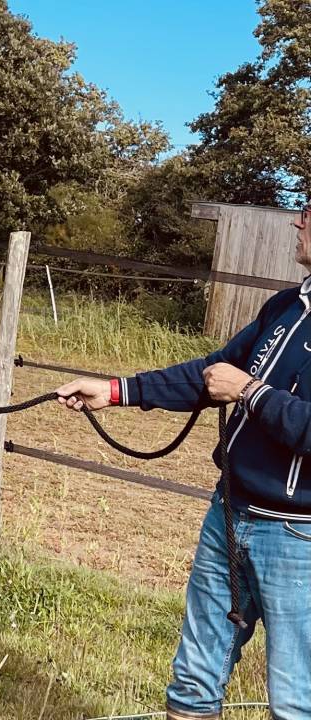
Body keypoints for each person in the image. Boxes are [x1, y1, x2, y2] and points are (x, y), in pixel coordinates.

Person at [55, 203, 311, 720]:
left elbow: (248, 390)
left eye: (308, 210)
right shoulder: (286, 306)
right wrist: (118, 390)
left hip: (298, 540)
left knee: (296, 700)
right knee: (193, 683)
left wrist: (251, 393)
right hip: (230, 515)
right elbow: (214, 372)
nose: (297, 221)